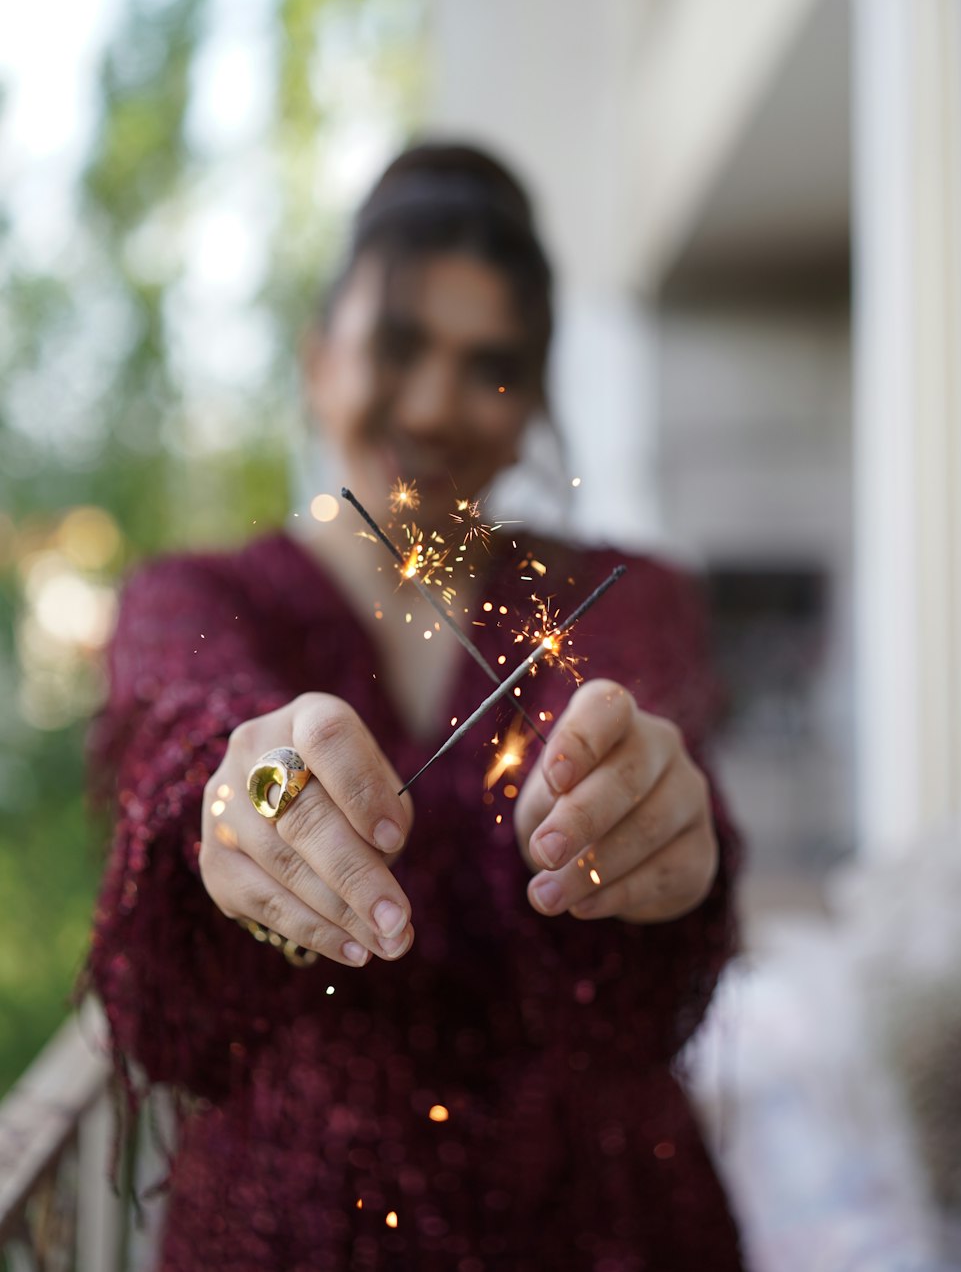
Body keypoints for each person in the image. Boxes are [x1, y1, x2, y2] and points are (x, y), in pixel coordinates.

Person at [87, 142, 745, 1271]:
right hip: (285, 1236)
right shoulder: (194, 599)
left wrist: (666, 836)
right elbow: (183, 729)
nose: (437, 404)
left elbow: (636, 739)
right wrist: (228, 789)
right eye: (398, 347)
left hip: (603, 1232)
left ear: (533, 399)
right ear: (315, 357)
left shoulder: (629, 602)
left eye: (488, 366)